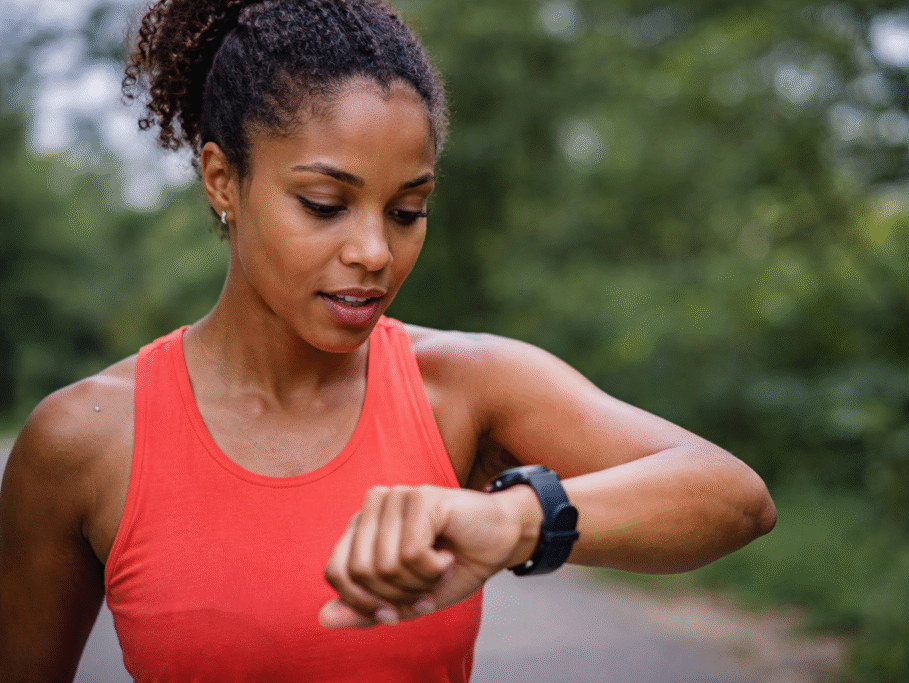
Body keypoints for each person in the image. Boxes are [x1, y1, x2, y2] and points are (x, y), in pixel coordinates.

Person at [0, 0, 776, 681]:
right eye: (324, 203)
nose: (375, 251)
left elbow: (734, 497)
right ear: (221, 179)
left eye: (407, 211)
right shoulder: (82, 442)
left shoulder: (463, 387)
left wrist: (513, 521)